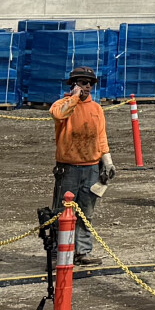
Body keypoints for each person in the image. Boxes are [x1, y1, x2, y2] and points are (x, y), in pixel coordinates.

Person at [48, 64, 109, 263]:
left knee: (86, 212)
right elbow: (59, 114)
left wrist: (107, 161)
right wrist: (74, 98)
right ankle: (58, 252)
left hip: (91, 167)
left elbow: (101, 136)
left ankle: (83, 251)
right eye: (83, 82)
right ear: (74, 84)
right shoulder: (62, 104)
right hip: (68, 168)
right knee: (61, 212)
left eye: (90, 83)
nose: (88, 86)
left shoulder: (96, 108)